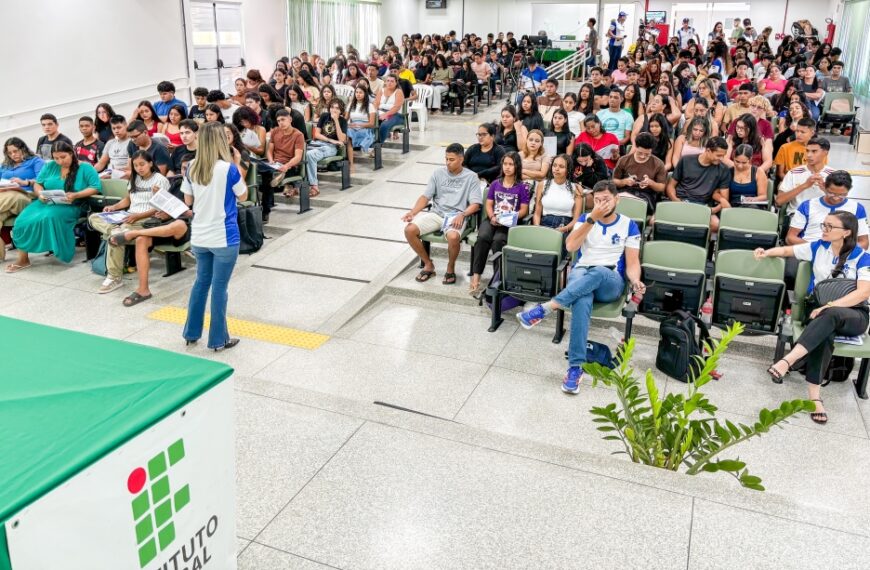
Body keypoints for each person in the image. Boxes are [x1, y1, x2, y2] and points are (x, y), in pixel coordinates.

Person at [516, 180, 643, 394]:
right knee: (582, 299)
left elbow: (632, 263)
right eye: (598, 200)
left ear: (617, 199)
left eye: (606, 200)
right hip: (582, 273)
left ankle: (546, 308)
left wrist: (636, 280)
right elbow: (571, 246)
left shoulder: (629, 225)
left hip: (610, 280)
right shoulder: (585, 219)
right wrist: (591, 220)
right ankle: (575, 368)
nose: (602, 204)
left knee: (600, 271)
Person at [756, 209, 870, 424]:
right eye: (823, 225)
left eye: (830, 226)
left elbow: (863, 292)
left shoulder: (863, 258)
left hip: (854, 314)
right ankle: (815, 398)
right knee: (825, 332)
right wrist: (767, 252)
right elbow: (789, 251)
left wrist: (831, 305)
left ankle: (788, 360)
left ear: (846, 232)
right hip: (820, 311)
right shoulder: (818, 247)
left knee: (830, 315)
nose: (823, 229)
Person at [181, 122, 247, 351]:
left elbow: (188, 201)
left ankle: (191, 333)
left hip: (199, 235)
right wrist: (237, 165)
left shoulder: (191, 167)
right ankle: (219, 339)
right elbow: (243, 193)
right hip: (224, 237)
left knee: (201, 283)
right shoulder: (228, 169)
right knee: (219, 288)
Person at [5, 141, 101, 272]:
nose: (60, 161)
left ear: (71, 154)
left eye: (63, 157)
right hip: (47, 202)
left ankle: (58, 249)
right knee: (21, 220)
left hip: (73, 204)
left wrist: (76, 194)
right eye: (56, 158)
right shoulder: (50, 166)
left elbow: (95, 188)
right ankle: (23, 259)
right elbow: (38, 184)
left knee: (49, 217)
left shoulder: (86, 168)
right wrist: (39, 194)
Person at [88, 150, 171, 296]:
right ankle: (117, 228)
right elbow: (128, 199)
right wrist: (114, 207)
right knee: (94, 217)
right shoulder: (135, 178)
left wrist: (138, 216)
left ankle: (114, 277)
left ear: (150, 163)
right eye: (136, 165)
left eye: (142, 164)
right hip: (129, 216)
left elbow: (161, 207)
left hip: (146, 218)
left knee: (116, 235)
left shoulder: (160, 180)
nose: (139, 168)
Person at [401, 143, 482, 285]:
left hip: (456, 216)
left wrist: (462, 215)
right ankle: (428, 264)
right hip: (437, 213)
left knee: (453, 236)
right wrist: (413, 212)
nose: (448, 163)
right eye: (446, 159)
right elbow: (426, 197)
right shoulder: (438, 173)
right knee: (409, 230)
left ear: (461, 159)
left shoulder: (471, 177)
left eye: (452, 160)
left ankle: (450, 268)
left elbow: (476, 204)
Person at [468, 152, 530, 295]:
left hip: (510, 222)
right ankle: (476, 275)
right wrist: (492, 217)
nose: (507, 167)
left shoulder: (522, 187)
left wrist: (510, 217)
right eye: (505, 164)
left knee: (498, 241)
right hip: (493, 218)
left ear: (517, 166)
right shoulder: (495, 184)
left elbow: (524, 210)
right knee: (483, 237)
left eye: (511, 164)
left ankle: (497, 278)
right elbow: (489, 204)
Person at [787, 171, 868, 248]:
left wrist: (842, 250)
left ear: (849, 190)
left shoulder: (857, 208)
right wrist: (816, 249)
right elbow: (790, 238)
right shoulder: (807, 206)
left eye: (842, 195)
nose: (836, 198)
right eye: (831, 193)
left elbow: (864, 242)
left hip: (841, 255)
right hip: (808, 250)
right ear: (824, 186)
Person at [666, 137, 731, 231]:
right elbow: (671, 186)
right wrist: (676, 201)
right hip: (681, 201)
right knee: (654, 220)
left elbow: (724, 199)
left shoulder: (723, 169)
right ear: (708, 150)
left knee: (716, 225)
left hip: (703, 206)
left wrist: (714, 210)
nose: (721, 159)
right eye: (718, 155)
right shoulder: (686, 160)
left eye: (723, 156)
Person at [0, 139, 44, 259]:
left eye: (16, 151)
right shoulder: (5, 165)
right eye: (10, 153)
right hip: (5, 197)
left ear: (23, 149)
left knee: (13, 195)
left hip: (27, 197)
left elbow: (43, 180)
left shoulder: (35, 161)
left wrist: (25, 182)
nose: (13, 155)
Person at [262, 109, 305, 219]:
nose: (281, 122)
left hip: (289, 164)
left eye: (283, 120)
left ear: (290, 119)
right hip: (274, 163)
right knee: (259, 169)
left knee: (270, 176)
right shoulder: (275, 131)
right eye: (278, 120)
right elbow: (269, 150)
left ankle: (265, 210)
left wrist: (286, 166)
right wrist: (271, 160)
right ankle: (279, 177)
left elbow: (298, 157)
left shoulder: (298, 135)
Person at [612, 132, 667, 215]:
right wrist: (625, 181)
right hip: (625, 192)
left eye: (647, 154)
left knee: (637, 206)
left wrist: (650, 183)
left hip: (646, 195)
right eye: (640, 153)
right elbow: (614, 181)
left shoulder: (658, 164)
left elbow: (661, 187)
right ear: (635, 147)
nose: (643, 156)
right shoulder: (624, 160)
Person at [776, 137, 833, 214]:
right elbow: (779, 201)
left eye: (814, 151)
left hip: (824, 216)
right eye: (807, 151)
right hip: (797, 214)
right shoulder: (793, 173)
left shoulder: (833, 175)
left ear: (825, 153)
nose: (809, 155)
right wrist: (805, 185)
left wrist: (825, 190)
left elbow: (840, 202)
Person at [306, 99, 347, 197]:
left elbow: (341, 139)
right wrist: (330, 140)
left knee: (309, 155)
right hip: (318, 143)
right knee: (300, 152)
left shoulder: (343, 121)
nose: (334, 110)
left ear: (341, 110)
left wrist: (336, 120)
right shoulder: (324, 116)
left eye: (337, 108)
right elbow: (316, 134)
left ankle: (314, 186)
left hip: (331, 148)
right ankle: (295, 184)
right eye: (332, 107)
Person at [346, 85, 377, 158]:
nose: (358, 94)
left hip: (365, 126)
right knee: (347, 131)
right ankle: (349, 150)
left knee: (363, 132)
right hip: (353, 126)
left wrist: (360, 125)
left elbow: (372, 123)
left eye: (360, 92)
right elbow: (345, 119)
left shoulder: (370, 106)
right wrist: (349, 125)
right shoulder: (351, 105)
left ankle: (365, 149)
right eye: (356, 92)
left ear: (365, 94)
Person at [374, 74, 405, 141]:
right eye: (388, 81)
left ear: (396, 83)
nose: (389, 83)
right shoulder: (381, 90)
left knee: (384, 125)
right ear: (385, 82)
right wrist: (375, 113)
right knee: (370, 122)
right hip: (380, 112)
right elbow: (376, 104)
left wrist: (386, 114)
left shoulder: (398, 92)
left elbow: (396, 107)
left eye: (392, 81)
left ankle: (378, 145)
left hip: (396, 115)